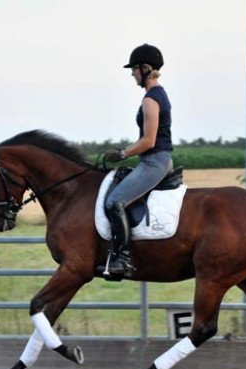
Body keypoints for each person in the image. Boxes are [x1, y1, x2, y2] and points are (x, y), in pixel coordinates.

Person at [102, 43, 174, 279]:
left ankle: (120, 259)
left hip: (155, 161)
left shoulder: (150, 99)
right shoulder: (157, 95)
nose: (132, 73)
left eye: (134, 69)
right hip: (156, 160)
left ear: (145, 68)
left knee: (115, 201)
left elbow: (149, 140)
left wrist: (122, 154)